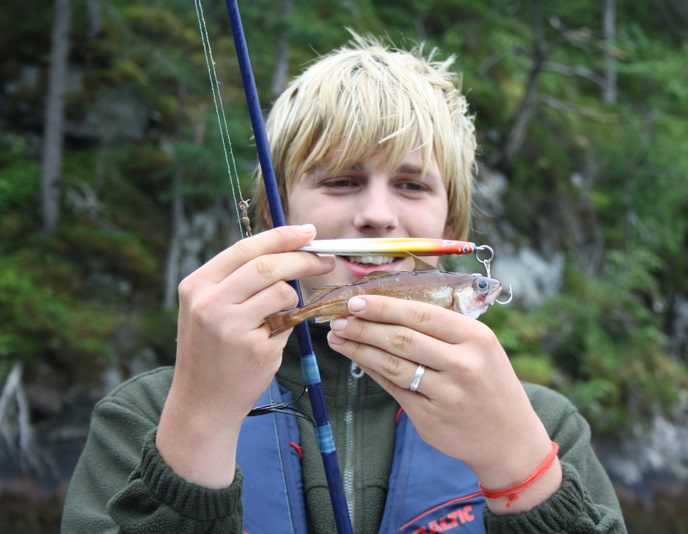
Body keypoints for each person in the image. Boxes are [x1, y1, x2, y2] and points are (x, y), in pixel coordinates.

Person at [61, 33, 626, 533]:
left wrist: (521, 471)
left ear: (451, 229)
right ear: (271, 218)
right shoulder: (146, 416)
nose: (377, 216)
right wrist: (199, 426)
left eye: (411, 185)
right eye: (341, 181)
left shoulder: (544, 427)